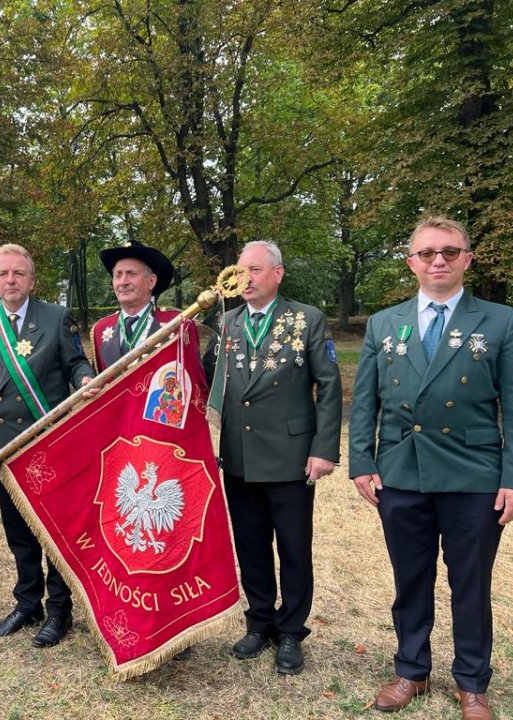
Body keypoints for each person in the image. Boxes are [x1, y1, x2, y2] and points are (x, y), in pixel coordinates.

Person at [349, 216, 513, 720]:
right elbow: (365, 401)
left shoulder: (501, 320)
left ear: (467, 259)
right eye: (427, 253)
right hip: (402, 471)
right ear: (411, 263)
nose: (438, 261)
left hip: (473, 474)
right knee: (411, 578)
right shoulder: (385, 322)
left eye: (449, 252)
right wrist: (362, 460)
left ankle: (472, 683)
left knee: (471, 582)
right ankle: (411, 671)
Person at [203, 240, 342, 675]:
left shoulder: (306, 318)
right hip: (240, 456)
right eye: (241, 272)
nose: (246, 279)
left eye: (255, 270)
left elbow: (329, 387)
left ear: (278, 274)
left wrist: (323, 449)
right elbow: (212, 381)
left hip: (291, 456)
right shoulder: (226, 322)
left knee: (294, 549)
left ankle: (291, 632)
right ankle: (259, 622)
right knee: (251, 544)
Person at [0, 243, 96, 648]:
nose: (11, 280)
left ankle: (59, 610)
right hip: (3, 447)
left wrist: (85, 378)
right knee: (19, 531)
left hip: (49, 442)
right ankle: (26, 603)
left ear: (32, 280)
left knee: (53, 531)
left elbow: (76, 363)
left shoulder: (55, 318)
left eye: (18, 273)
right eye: (3, 274)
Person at [92, 240, 208, 402]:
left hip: (160, 422)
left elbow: (196, 386)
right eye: (118, 275)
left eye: (131, 274)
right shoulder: (100, 329)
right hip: (116, 424)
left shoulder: (177, 324)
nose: (123, 281)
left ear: (151, 281)